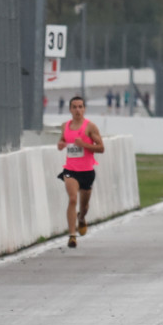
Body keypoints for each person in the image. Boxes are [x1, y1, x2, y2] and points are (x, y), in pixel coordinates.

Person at [56, 95, 105, 246]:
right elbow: (62, 139)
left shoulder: (90, 127)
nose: (77, 110)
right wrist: (61, 144)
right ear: (70, 109)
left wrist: (84, 144)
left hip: (87, 171)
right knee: (72, 199)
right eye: (74, 107)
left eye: (80, 107)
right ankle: (72, 235)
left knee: (83, 206)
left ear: (84, 109)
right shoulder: (65, 126)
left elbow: (101, 148)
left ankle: (82, 218)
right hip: (70, 170)